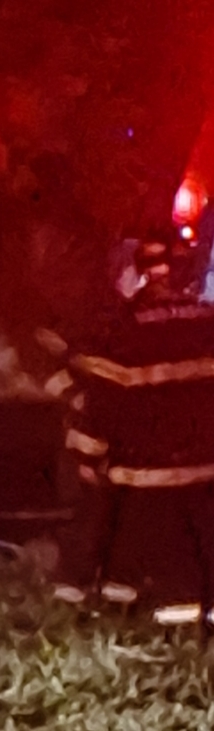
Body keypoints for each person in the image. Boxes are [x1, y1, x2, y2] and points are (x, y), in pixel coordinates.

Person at [52, 241, 214, 623]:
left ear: (137, 276)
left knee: (156, 563)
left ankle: (163, 622)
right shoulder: (207, 321)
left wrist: (88, 457)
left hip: (147, 475)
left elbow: (102, 406)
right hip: (207, 470)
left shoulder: (125, 329)